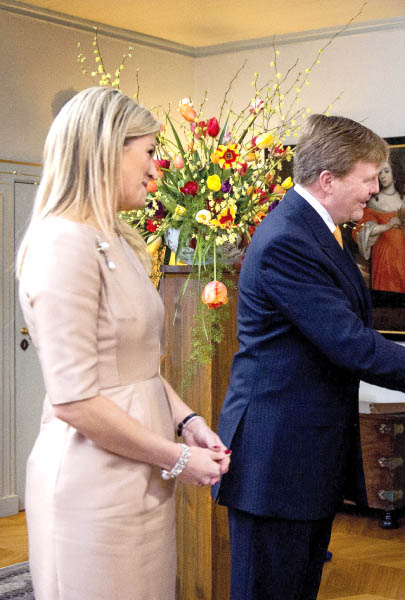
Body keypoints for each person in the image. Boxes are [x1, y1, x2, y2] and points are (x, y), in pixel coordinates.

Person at [213, 114, 405, 600]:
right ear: (328, 180)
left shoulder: (320, 232)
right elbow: (350, 343)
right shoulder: (288, 241)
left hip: (302, 458)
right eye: (367, 179)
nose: (374, 190)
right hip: (276, 461)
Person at [15, 86, 231, 600]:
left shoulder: (118, 238)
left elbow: (139, 369)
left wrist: (188, 422)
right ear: (108, 148)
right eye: (150, 151)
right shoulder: (62, 242)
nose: (157, 170)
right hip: (94, 482)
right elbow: (73, 400)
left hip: (139, 473)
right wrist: (175, 458)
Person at [352, 155, 405, 332]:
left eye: (386, 171)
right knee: (390, 313)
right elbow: (364, 230)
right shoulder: (371, 204)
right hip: (385, 263)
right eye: (379, 173)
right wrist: (387, 226)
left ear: (395, 174)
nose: (382, 176)